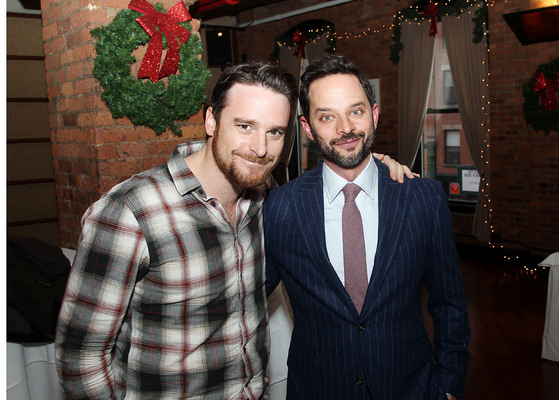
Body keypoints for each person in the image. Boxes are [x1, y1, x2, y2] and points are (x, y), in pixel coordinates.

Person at [55, 60, 414, 399]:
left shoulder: (267, 200)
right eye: (245, 126)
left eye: (274, 132)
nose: (260, 149)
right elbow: (80, 357)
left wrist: (372, 167)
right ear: (212, 121)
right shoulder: (130, 212)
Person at [264, 54, 470, 400]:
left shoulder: (423, 198)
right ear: (307, 128)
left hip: (411, 387)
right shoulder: (280, 207)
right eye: (327, 116)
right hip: (318, 388)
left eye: (356, 111)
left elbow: (450, 302)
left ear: (374, 115)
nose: (345, 128)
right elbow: (245, 299)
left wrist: (448, 385)